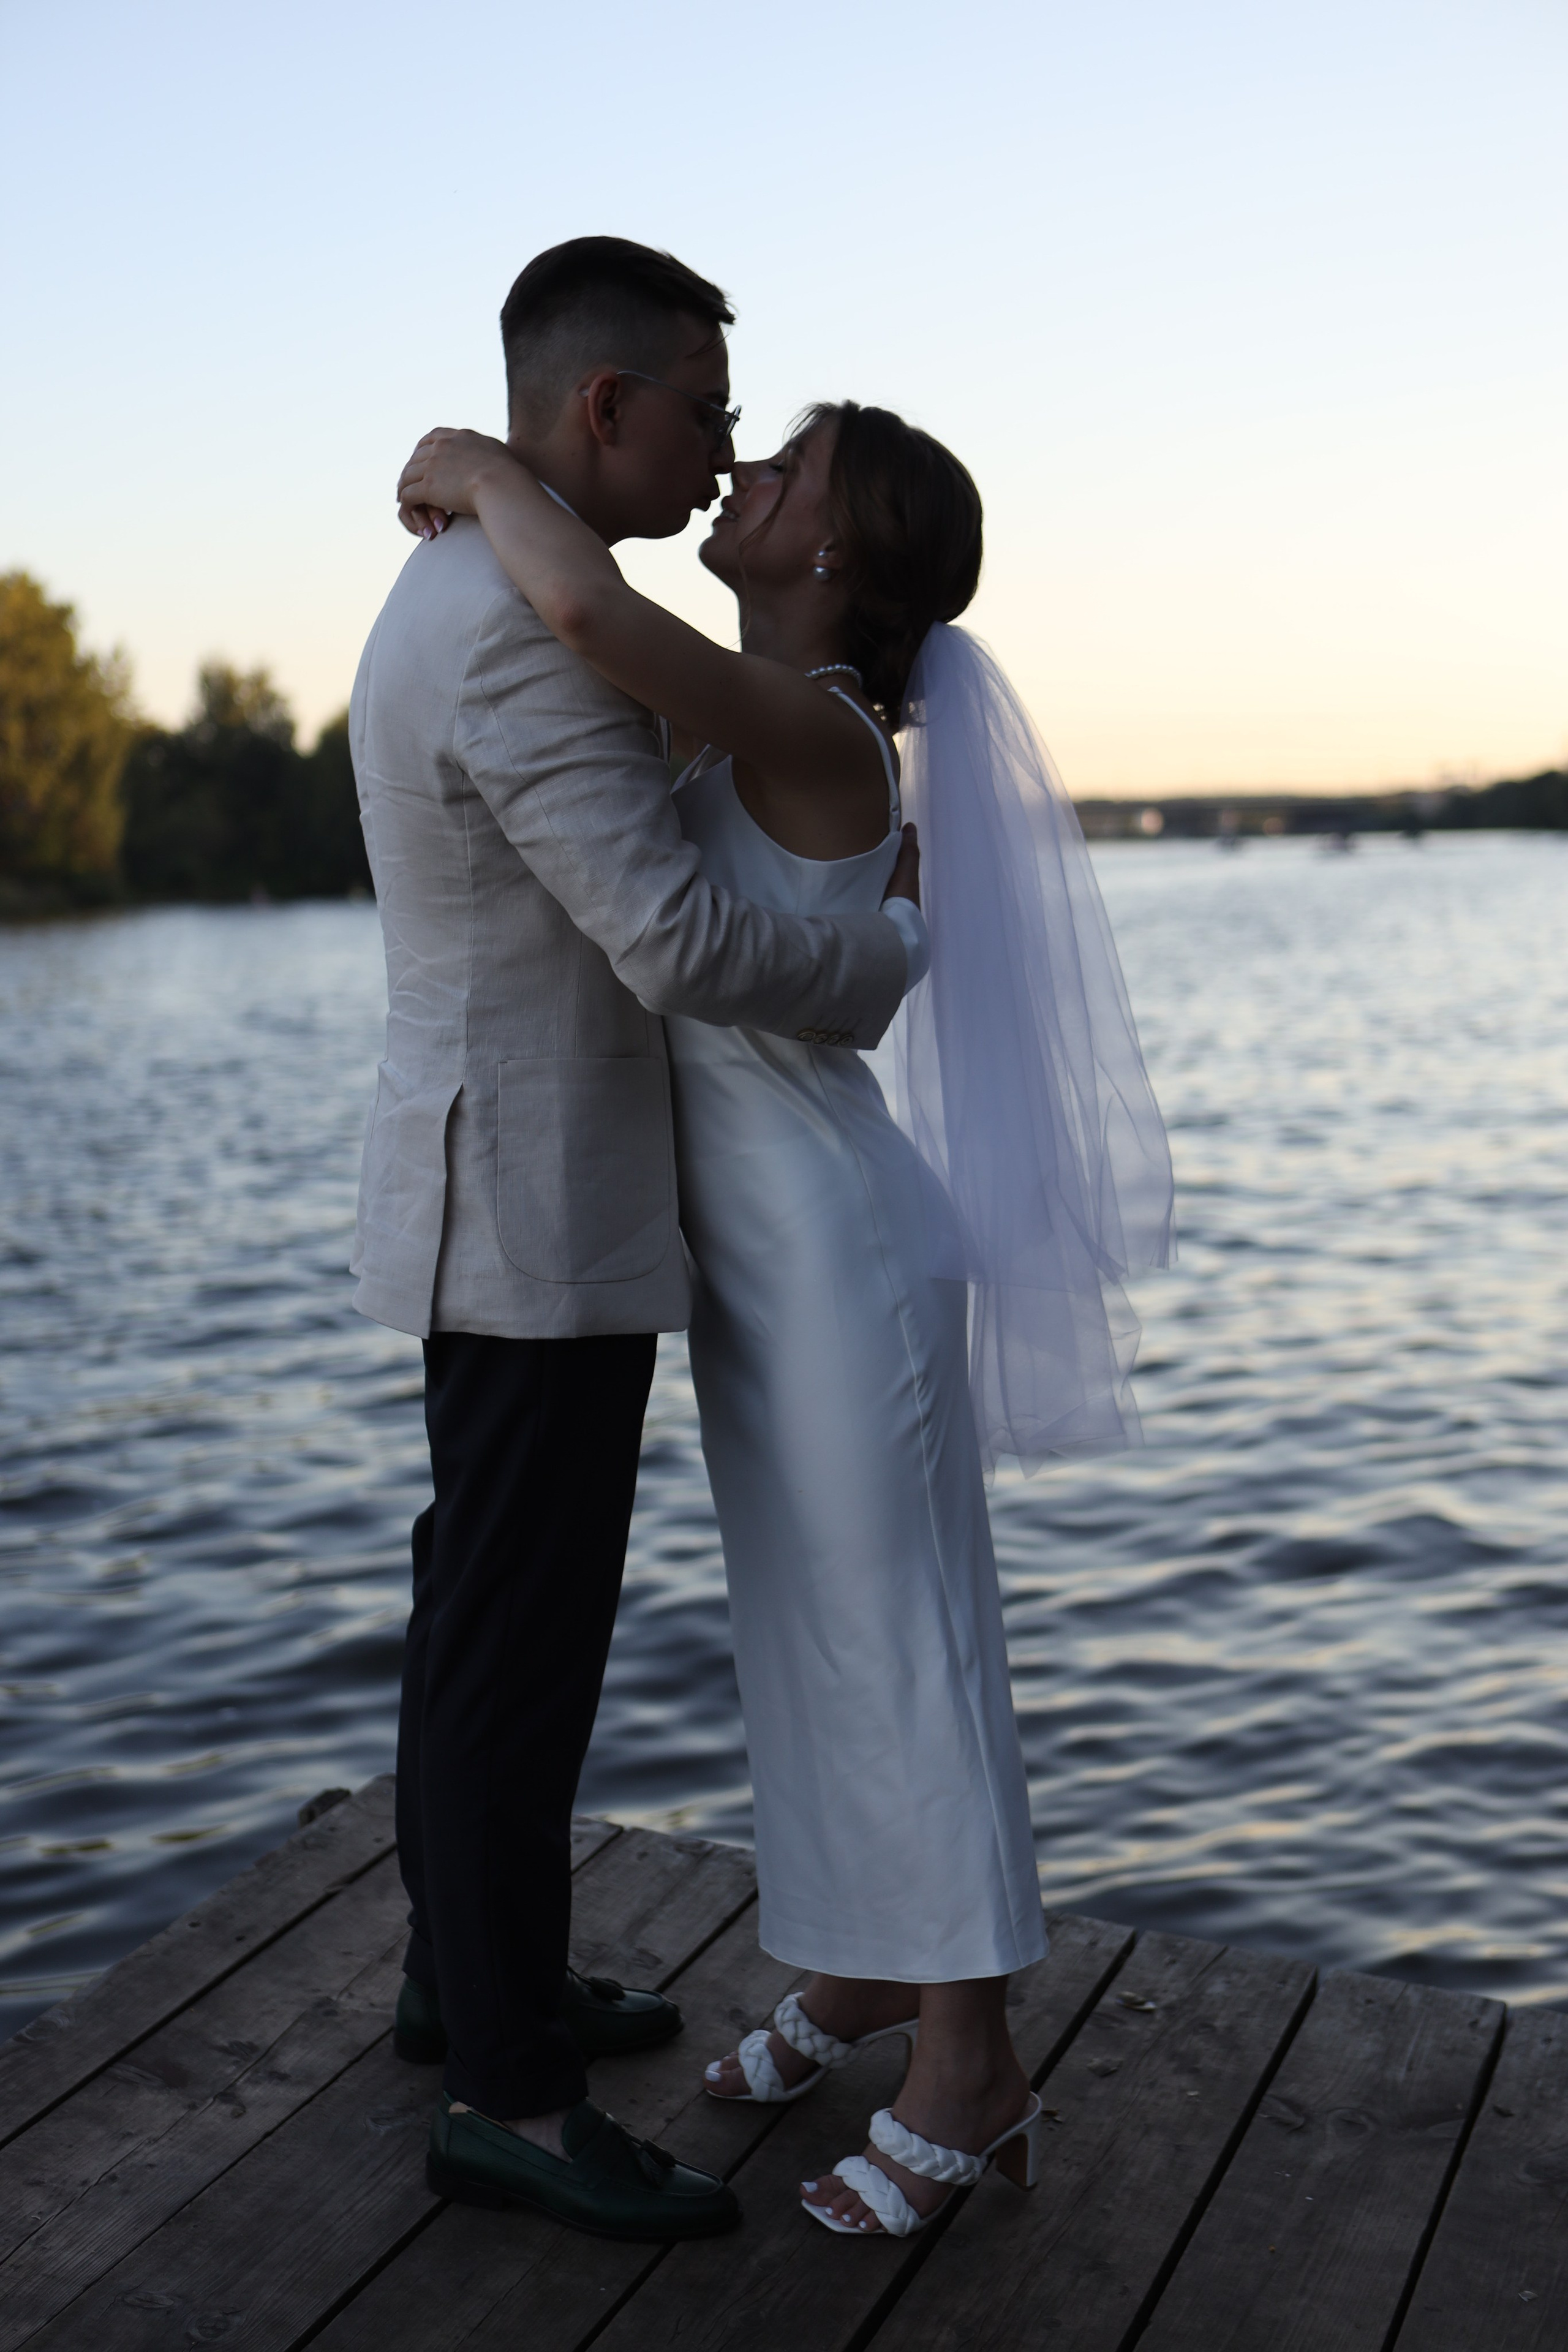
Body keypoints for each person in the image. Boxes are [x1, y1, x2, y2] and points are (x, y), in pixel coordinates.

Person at [395, 390, 1173, 2237]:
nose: (747, 473)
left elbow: (586, 614)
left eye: (791, 462)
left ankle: (970, 2065)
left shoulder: (817, 734)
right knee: (812, 1643)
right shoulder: (743, 718)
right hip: (757, 1271)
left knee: (900, 1643)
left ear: (839, 553)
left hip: (835, 1258)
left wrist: (487, 466)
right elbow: (591, 679)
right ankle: (856, 1971)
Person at [350, 237, 928, 2244]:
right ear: (603, 407)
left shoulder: (487, 580)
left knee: (475, 1618)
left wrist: (466, 463)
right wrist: (877, 958)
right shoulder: (523, 629)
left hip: (499, 1176)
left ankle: (468, 1977)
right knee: (517, 1655)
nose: (721, 457)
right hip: (536, 1201)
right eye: (703, 412)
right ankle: (506, 2093)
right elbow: (678, 943)